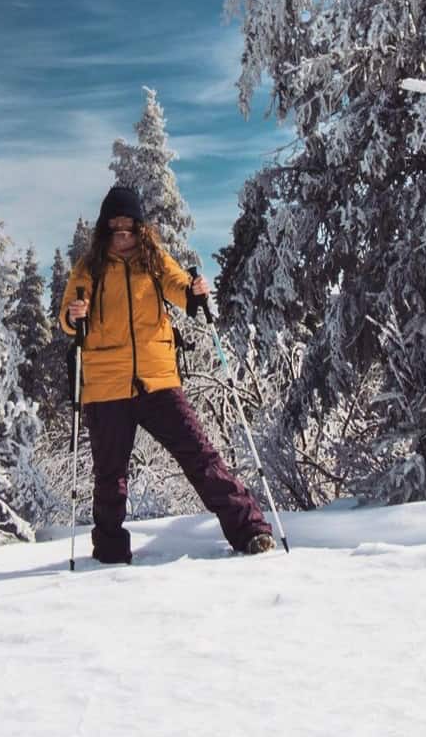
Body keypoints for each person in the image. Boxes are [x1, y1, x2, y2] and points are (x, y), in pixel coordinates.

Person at [59, 185, 275, 564]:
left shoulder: (153, 259)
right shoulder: (88, 268)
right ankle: (109, 554)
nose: (122, 231)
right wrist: (73, 315)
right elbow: (69, 315)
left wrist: (194, 292)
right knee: (110, 477)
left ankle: (250, 530)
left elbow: (179, 287)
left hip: (157, 379)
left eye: (129, 224)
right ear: (105, 227)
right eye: (116, 225)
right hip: (106, 384)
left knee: (200, 456)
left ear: (140, 227)